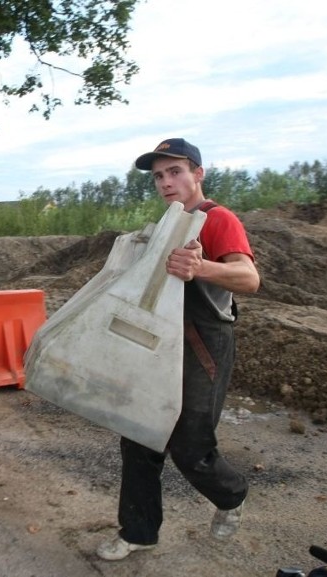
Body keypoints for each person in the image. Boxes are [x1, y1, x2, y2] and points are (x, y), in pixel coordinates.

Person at [96, 138, 261, 561]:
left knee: (190, 446)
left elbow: (249, 279)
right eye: (158, 176)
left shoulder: (217, 219)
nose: (166, 182)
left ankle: (232, 495)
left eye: (175, 172)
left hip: (204, 346)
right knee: (138, 436)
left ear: (197, 174)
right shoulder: (171, 222)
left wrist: (201, 267)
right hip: (161, 341)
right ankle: (138, 531)